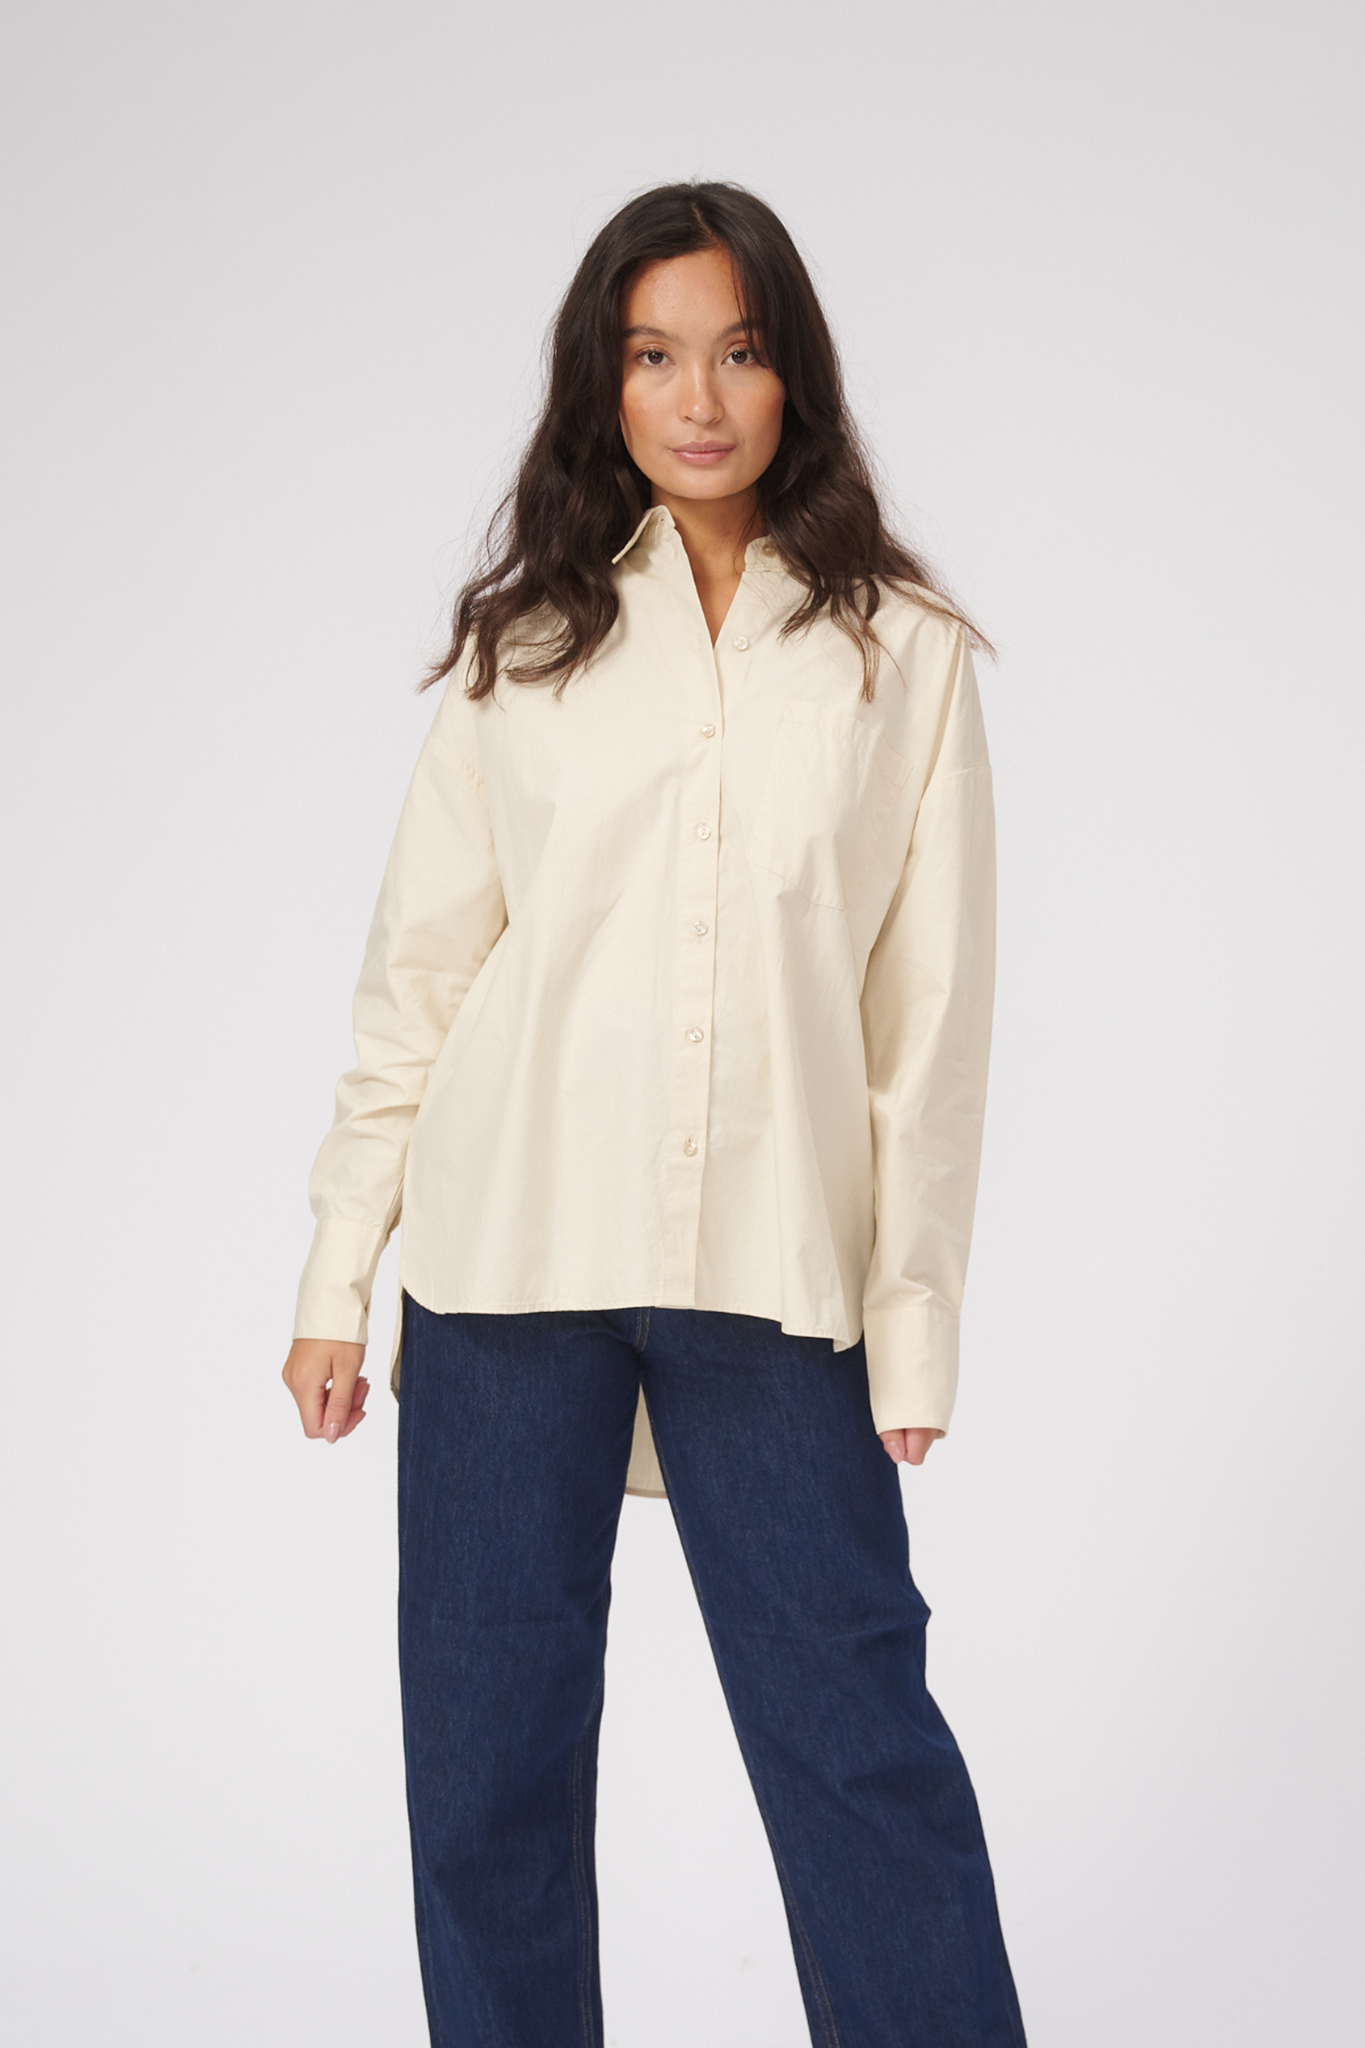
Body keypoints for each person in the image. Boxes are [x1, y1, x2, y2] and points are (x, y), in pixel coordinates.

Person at [282, 179, 1026, 2048]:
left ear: (794, 376)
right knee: (488, 1774)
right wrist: (337, 1267)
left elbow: (927, 1028)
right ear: (601, 384)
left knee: (858, 1747)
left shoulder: (901, 652)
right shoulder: (526, 643)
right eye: (654, 355)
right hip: (504, 1264)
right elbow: (422, 972)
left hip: (774, 1275)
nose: (699, 398)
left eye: (739, 351)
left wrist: (915, 1319)